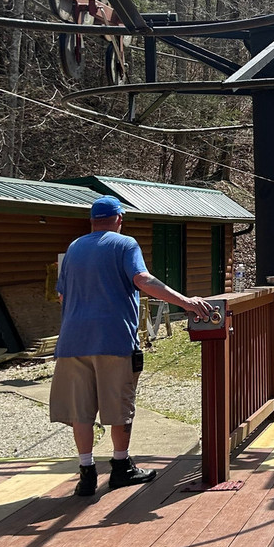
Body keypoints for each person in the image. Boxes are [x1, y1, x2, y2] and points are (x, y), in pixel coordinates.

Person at [51, 195, 216, 497]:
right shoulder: (125, 244)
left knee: (80, 410)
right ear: (119, 219)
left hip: (72, 341)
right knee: (119, 406)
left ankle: (86, 473)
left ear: (92, 220)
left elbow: (62, 295)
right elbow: (142, 279)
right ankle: (120, 467)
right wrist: (185, 302)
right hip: (113, 339)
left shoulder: (74, 248)